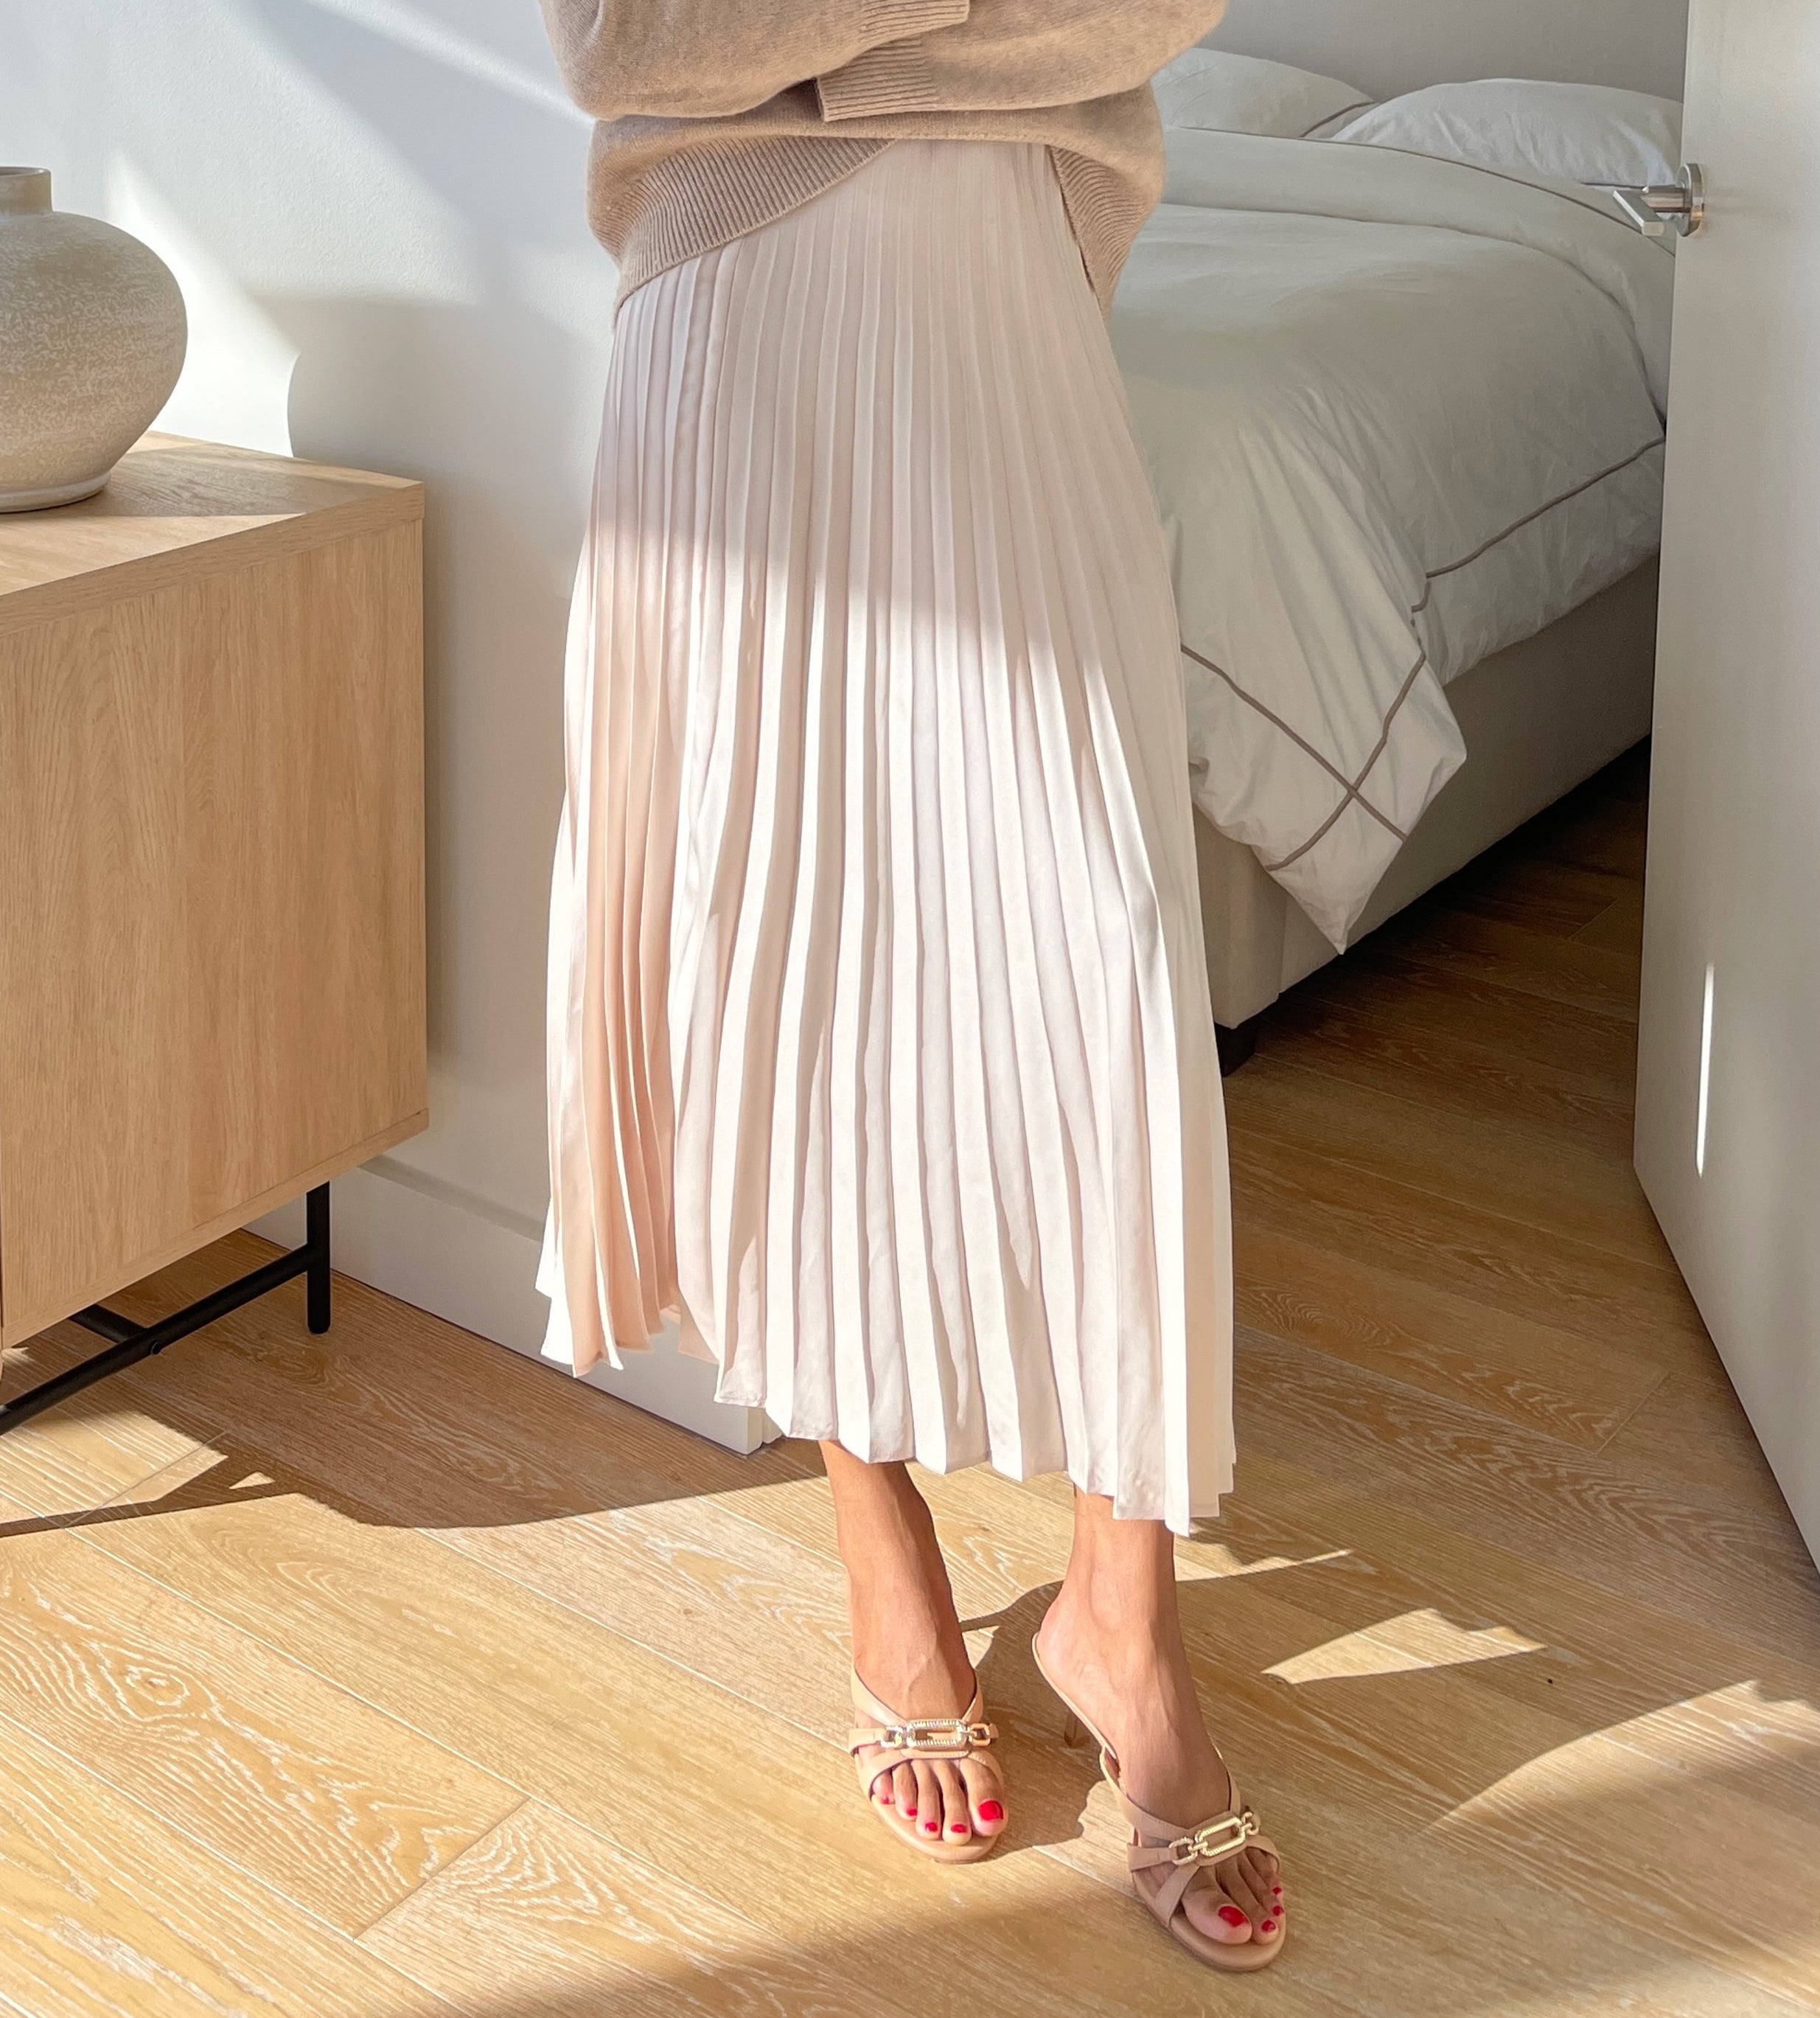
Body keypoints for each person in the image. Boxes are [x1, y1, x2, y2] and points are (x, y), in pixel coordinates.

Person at [536, 0, 1284, 1969]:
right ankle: (881, 1547)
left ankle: (1121, 1611)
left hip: (1005, 303)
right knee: (772, 956)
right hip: (725, 323)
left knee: (1100, 964)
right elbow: (626, 40)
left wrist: (822, 46)